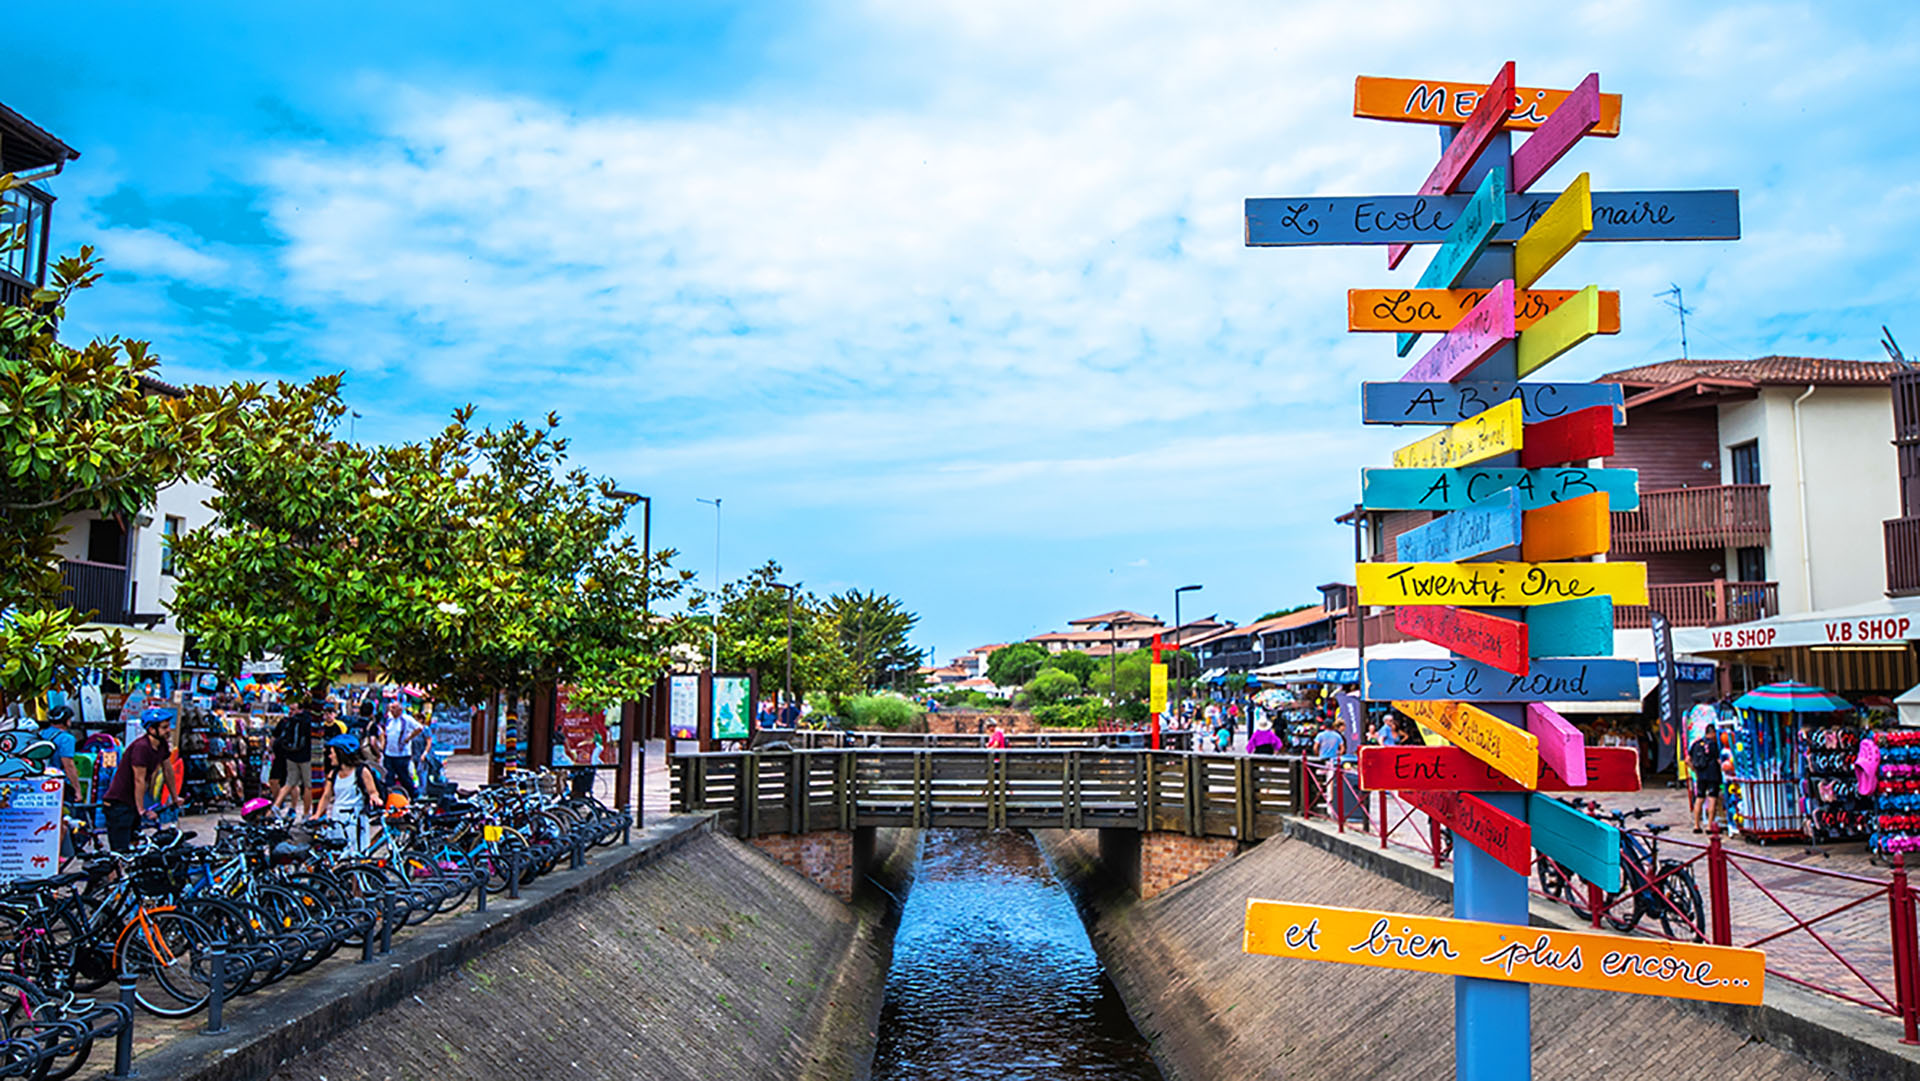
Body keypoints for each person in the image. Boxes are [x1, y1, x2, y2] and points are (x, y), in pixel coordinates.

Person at [102, 710, 177, 851]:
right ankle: (113, 873)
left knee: (136, 845)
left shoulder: (162, 745)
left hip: (133, 803)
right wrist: (141, 809)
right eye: (164, 727)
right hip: (119, 803)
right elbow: (139, 780)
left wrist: (175, 797)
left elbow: (168, 771)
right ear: (151, 729)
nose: (169, 730)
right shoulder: (141, 747)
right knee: (121, 851)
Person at [311, 734, 383, 855]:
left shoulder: (362, 771)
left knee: (358, 855)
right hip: (337, 819)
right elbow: (326, 796)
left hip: (355, 820)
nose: (330, 756)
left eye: (332, 753)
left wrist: (374, 797)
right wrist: (317, 815)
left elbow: (373, 791)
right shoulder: (333, 774)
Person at [271, 699, 317, 819]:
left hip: (290, 754)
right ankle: (306, 813)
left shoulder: (291, 720)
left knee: (289, 783)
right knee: (308, 786)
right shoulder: (310, 720)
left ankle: (276, 806)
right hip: (306, 756)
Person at [378, 699, 423, 799]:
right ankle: (390, 796)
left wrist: (409, 738)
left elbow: (419, 728)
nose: (391, 710)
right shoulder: (389, 720)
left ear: (400, 710)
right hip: (389, 753)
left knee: (404, 776)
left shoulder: (406, 719)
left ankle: (414, 795)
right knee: (389, 776)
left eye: (394, 708)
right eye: (391, 708)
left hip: (401, 754)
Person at [38, 705, 80, 800]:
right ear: (67, 721)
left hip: (38, 780)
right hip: (58, 782)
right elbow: (68, 765)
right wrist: (77, 789)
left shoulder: (40, 734)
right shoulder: (66, 738)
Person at [1689, 730, 1725, 834]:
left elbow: (1687, 759)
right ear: (1713, 733)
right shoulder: (1714, 745)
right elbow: (1719, 760)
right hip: (1713, 774)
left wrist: (1695, 771)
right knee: (1712, 798)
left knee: (1699, 798)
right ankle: (1709, 826)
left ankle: (1696, 825)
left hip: (1701, 774)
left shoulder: (1696, 744)